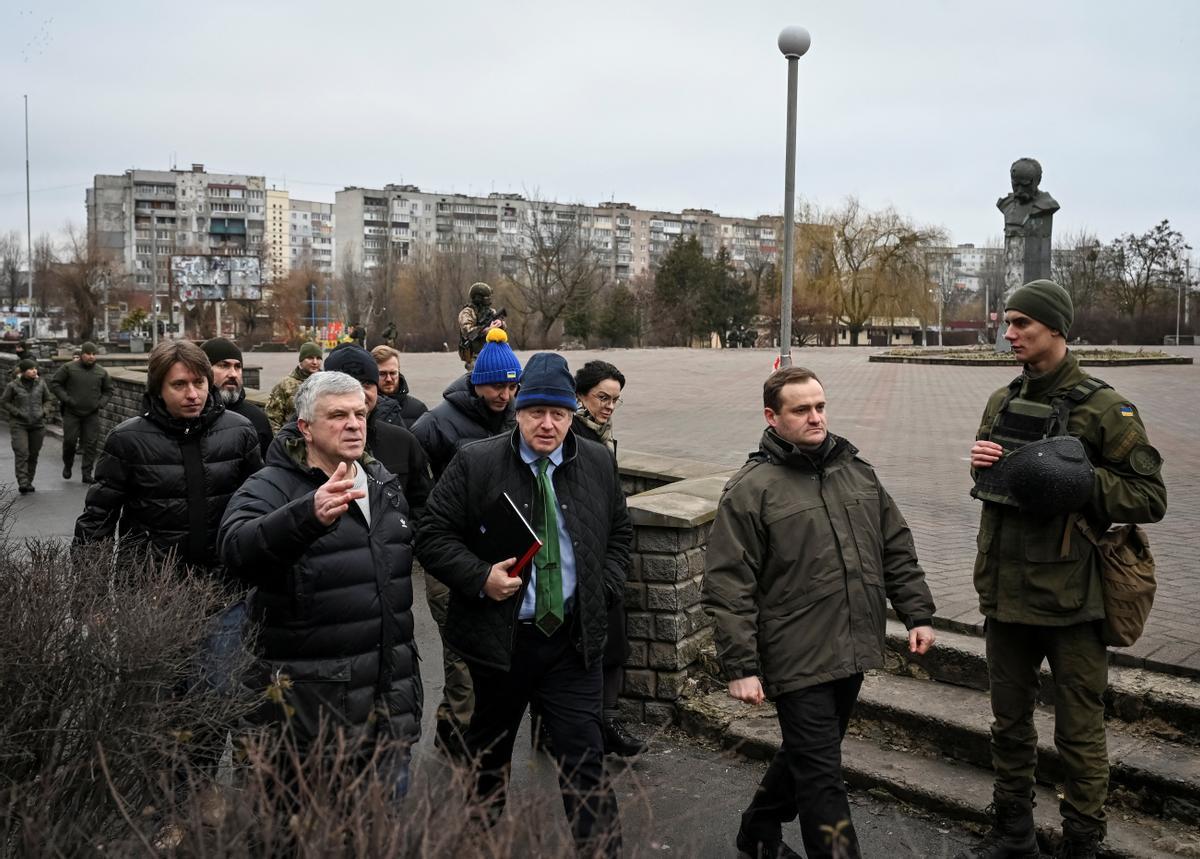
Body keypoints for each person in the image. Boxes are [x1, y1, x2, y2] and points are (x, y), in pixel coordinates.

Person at [960, 280, 1167, 859]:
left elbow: (1150, 496)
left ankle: (1082, 842)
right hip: (1005, 591)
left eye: (1022, 323)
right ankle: (1012, 833)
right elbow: (994, 485)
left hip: (1072, 598)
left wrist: (1078, 479)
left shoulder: (1105, 408)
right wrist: (981, 464)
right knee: (1009, 725)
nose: (1010, 334)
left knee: (1079, 732)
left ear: (1056, 328)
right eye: (1007, 323)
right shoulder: (1001, 401)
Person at [703, 366, 936, 859]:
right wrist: (741, 666)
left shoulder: (856, 471)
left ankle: (758, 830)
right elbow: (729, 584)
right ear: (772, 416)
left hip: (852, 644)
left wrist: (917, 612)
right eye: (801, 409)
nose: (816, 418)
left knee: (810, 755)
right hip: (794, 654)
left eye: (820, 407)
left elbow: (895, 546)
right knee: (823, 777)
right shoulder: (751, 489)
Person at [417, 352, 631, 857]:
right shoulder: (477, 461)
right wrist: (479, 577)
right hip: (501, 641)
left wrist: (604, 587)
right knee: (489, 757)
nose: (548, 424)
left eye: (559, 413)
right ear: (517, 411)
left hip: (572, 644)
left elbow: (620, 533)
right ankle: (478, 843)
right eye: (536, 412)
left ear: (572, 412)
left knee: (585, 758)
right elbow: (432, 535)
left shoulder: (597, 460)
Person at [219, 371, 421, 797]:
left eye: (359, 413)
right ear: (306, 428)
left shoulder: (382, 482)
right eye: (337, 415)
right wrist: (305, 516)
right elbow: (237, 551)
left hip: (388, 706)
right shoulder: (270, 485)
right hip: (310, 717)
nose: (353, 424)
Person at [411, 326, 521, 755]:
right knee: (461, 650)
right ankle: (459, 734)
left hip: (498, 552)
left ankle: (455, 725)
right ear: (477, 383)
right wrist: (429, 535)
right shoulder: (435, 425)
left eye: (513, 386)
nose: (505, 394)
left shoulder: (516, 417)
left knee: (491, 647)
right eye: (497, 385)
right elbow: (415, 492)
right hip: (451, 554)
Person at [73, 339, 262, 574]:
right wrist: (90, 598)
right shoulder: (127, 440)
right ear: (159, 389)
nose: (192, 394)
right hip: (152, 585)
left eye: (199, 382)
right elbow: (97, 522)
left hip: (224, 581)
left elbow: (258, 508)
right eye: (179, 384)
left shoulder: (240, 431)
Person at [571, 359, 644, 758]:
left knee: (612, 641)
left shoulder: (600, 434)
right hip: (580, 556)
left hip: (603, 556)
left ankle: (606, 719)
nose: (610, 406)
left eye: (616, 399)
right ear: (580, 395)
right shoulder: (574, 434)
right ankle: (586, 724)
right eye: (603, 397)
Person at [323, 344, 433, 516]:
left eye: (366, 385)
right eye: (348, 384)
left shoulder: (404, 442)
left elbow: (425, 507)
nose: (358, 393)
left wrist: (403, 535)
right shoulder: (305, 443)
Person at [50, 341, 113, 483]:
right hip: (72, 412)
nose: (91, 357)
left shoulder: (101, 372)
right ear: (81, 354)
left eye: (94, 354)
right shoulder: (68, 368)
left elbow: (108, 390)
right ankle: (68, 465)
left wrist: (101, 403)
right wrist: (66, 399)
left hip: (91, 413)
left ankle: (87, 473)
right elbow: (55, 383)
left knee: (91, 443)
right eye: (88, 354)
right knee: (69, 441)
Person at [202, 337, 273, 459]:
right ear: (204, 370)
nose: (233, 374)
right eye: (223, 365)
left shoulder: (256, 418)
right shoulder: (191, 413)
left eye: (237, 367)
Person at [2, 358, 52, 493]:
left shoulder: (41, 384)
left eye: (35, 368)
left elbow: (48, 399)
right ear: (23, 372)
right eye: (30, 369)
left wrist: (44, 411)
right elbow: (5, 401)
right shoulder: (13, 386)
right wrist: (17, 412)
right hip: (19, 424)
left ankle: (29, 481)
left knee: (33, 454)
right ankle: (23, 482)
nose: (34, 371)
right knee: (22, 452)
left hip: (38, 424)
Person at [266, 342, 323, 433]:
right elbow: (273, 418)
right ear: (301, 360)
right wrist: (281, 442)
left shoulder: (327, 384)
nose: (315, 362)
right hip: (293, 440)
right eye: (310, 358)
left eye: (318, 358)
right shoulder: (285, 385)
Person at [371, 344, 428, 429]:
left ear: (399, 372)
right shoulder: (364, 409)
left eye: (393, 373)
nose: (389, 379)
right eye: (382, 374)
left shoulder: (418, 409)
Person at [457, 282, 505, 370]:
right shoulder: (467, 312)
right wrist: (487, 330)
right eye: (487, 297)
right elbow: (467, 331)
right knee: (476, 379)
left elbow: (502, 327)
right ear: (478, 298)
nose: (489, 299)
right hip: (474, 355)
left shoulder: (491, 311)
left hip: (491, 353)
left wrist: (500, 323)